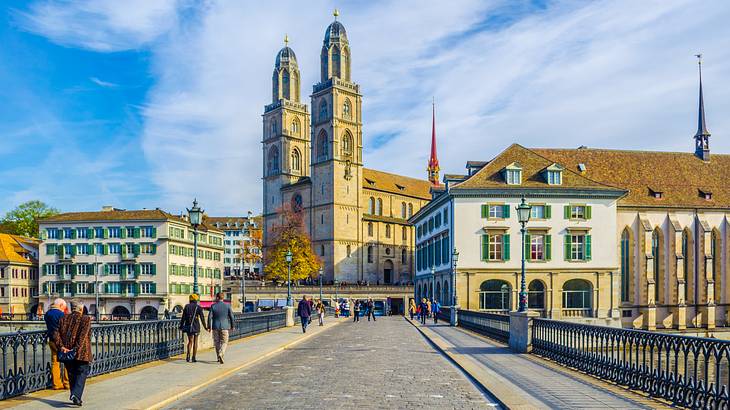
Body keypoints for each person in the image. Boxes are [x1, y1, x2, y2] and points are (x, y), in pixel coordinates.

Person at [53, 300, 92, 406]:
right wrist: (75, 349)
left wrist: (62, 347)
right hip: (81, 352)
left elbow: (55, 334)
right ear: (81, 308)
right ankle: (75, 395)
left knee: (71, 374)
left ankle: (75, 396)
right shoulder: (86, 319)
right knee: (81, 373)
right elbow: (82, 336)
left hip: (66, 352)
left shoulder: (63, 318)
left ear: (71, 308)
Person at [45, 298, 69, 390]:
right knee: (67, 362)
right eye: (64, 307)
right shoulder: (61, 314)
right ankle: (67, 383)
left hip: (52, 340)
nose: (64, 309)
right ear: (61, 305)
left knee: (55, 362)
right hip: (62, 341)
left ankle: (56, 384)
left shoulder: (47, 314)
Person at [208, 292, 235, 364]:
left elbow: (209, 317)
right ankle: (221, 353)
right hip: (225, 326)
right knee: (225, 342)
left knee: (216, 342)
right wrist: (232, 326)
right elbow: (231, 317)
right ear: (223, 298)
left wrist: (209, 327)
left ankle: (218, 357)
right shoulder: (227, 306)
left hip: (215, 326)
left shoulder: (213, 306)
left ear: (217, 297)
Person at [180, 294, 208, 362]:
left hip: (189, 326)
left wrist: (181, 326)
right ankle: (194, 357)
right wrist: (205, 327)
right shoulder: (198, 307)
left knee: (190, 341)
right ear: (196, 300)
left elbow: (183, 317)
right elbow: (202, 318)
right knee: (195, 341)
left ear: (190, 299)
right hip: (196, 326)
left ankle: (188, 355)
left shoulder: (186, 306)